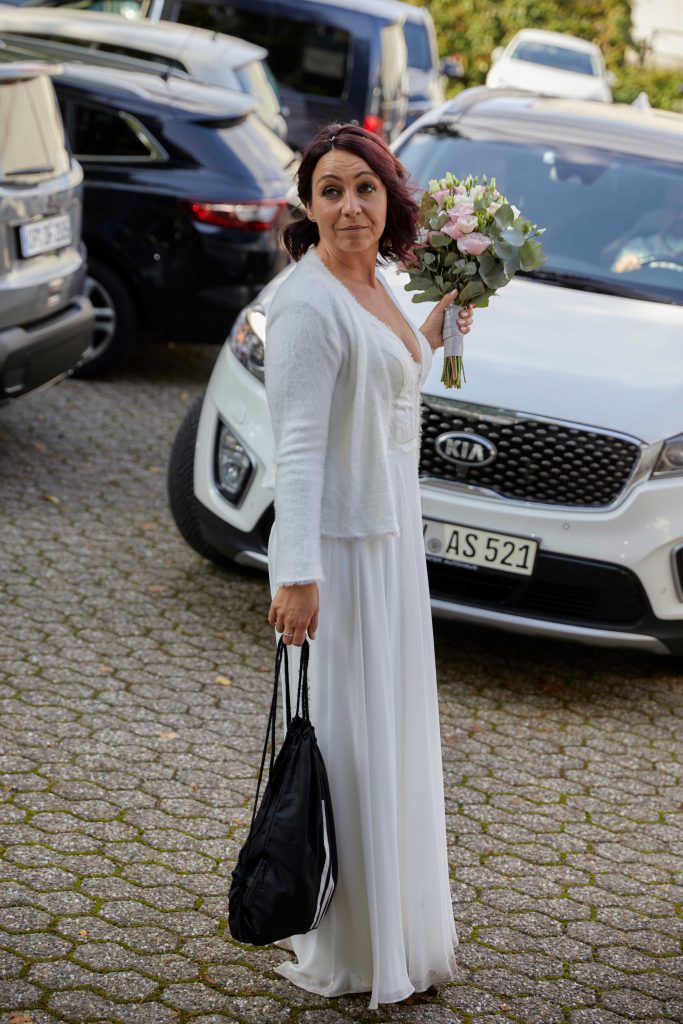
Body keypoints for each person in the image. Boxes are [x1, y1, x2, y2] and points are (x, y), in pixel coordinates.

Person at [264, 122, 474, 1009]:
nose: (349, 205)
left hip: (390, 549)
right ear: (308, 208)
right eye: (331, 191)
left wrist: (447, 317)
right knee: (349, 745)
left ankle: (397, 932)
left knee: (389, 736)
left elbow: (406, 375)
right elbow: (296, 447)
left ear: (387, 199)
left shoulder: (377, 280)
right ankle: (353, 945)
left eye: (364, 188)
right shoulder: (307, 305)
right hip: (340, 559)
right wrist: (295, 573)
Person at [612, 181, 683, 274]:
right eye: (675, 207)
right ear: (664, 210)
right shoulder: (639, 247)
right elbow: (613, 277)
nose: (681, 216)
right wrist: (623, 268)